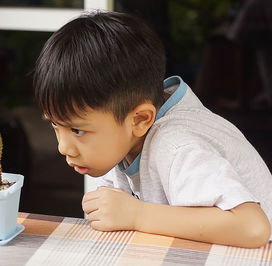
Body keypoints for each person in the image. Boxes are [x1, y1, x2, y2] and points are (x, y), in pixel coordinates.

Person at [33, 11, 272, 248]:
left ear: (140, 120)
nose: (63, 147)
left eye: (78, 131)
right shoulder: (120, 134)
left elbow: (252, 228)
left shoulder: (177, 146)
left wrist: (137, 215)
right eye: (55, 124)